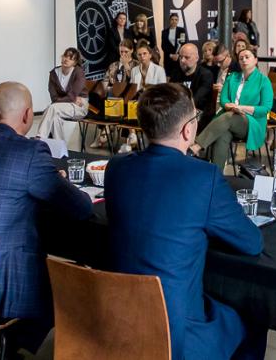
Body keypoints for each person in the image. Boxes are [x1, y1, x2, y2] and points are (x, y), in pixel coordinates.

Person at [105, 83, 265, 360]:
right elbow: (252, 243)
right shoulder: (204, 177)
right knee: (254, 314)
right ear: (187, 130)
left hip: (119, 319)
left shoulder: (116, 168)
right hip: (178, 334)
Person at [0, 82, 91, 353]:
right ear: (27, 115)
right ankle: (8, 345)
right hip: (2, 283)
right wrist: (58, 181)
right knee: (71, 284)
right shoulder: (31, 153)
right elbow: (80, 208)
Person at [191, 48, 273, 170]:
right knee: (223, 134)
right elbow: (224, 100)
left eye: (247, 57)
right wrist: (229, 106)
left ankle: (197, 146)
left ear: (255, 60)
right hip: (229, 119)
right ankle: (216, 174)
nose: (244, 60)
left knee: (228, 117)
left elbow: (265, 109)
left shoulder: (264, 81)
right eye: (241, 58)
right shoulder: (232, 77)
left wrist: (240, 108)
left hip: (252, 123)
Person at [35, 48, 88, 149]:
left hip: (80, 105)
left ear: (75, 62)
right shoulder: (54, 73)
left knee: (52, 108)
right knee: (54, 118)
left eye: (70, 58)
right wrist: (70, 99)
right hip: (62, 105)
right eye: (65, 56)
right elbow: (54, 96)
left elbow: (73, 94)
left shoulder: (78, 72)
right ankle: (60, 148)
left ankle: (40, 139)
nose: (66, 59)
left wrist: (70, 99)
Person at [172, 43, 215, 119]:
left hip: (201, 115)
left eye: (187, 57)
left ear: (197, 58)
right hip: (179, 114)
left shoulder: (206, 75)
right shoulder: (176, 74)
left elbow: (198, 99)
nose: (182, 60)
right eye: (180, 57)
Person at [161, 13, 188, 79]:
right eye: (172, 19)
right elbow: (163, 45)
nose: (174, 21)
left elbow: (184, 43)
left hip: (179, 58)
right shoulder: (164, 32)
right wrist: (171, 55)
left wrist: (178, 55)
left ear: (178, 21)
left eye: (176, 20)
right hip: (168, 59)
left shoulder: (182, 30)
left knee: (179, 77)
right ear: (169, 20)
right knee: (168, 77)